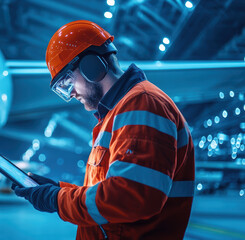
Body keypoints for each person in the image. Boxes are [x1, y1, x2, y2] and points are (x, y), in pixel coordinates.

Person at [12, 20, 195, 240]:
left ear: (92, 66)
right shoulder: (119, 113)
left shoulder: (141, 105)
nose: (70, 94)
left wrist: (56, 199)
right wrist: (59, 189)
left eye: (67, 82)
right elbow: (109, 190)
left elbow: (129, 197)